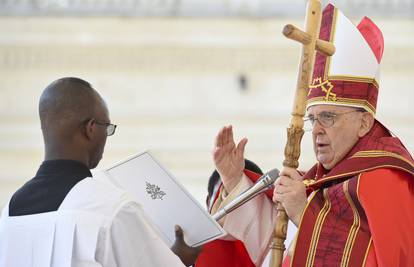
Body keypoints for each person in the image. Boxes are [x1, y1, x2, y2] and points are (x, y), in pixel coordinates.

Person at [210, 4, 414, 267]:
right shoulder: (320, 182)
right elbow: (276, 246)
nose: (317, 129)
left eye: (328, 117)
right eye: (312, 118)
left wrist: (303, 214)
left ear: (364, 122)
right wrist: (234, 181)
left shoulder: (386, 179)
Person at [0, 77, 199, 267]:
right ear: (91, 129)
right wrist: (179, 258)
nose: (107, 135)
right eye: (107, 127)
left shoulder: (9, 210)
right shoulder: (112, 207)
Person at [196, 160, 264, 267]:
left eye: (246, 204)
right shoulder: (187, 248)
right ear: (208, 202)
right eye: (225, 198)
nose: (234, 213)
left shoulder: (278, 250)